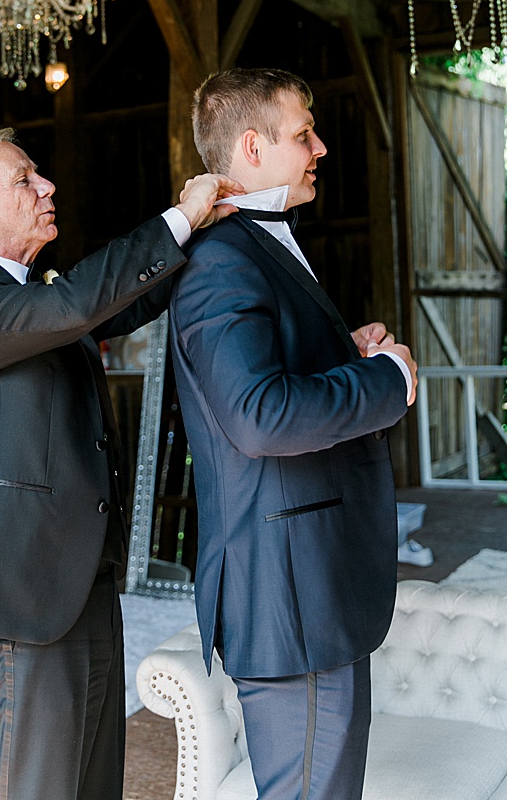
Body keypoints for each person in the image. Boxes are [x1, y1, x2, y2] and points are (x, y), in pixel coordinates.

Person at [0, 128, 241, 800]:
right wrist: (176, 216)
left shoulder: (34, 295)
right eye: (24, 178)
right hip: (19, 594)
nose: (47, 187)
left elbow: (120, 301)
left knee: (95, 788)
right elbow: (73, 307)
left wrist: (206, 230)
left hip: (79, 582)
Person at [169, 68, 418, 799]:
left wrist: (345, 350)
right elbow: (258, 415)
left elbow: (271, 378)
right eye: (303, 133)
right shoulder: (221, 259)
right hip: (288, 594)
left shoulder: (261, 246)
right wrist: (386, 381)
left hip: (311, 584)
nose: (322, 147)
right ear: (251, 147)